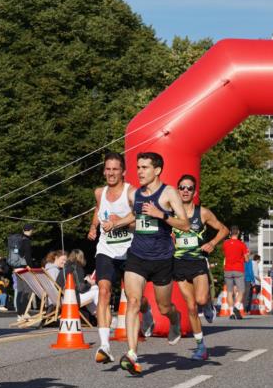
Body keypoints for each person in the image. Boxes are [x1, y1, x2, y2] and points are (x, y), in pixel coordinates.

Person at [114, 152, 190, 376]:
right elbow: (136, 219)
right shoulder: (136, 194)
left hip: (162, 259)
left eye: (145, 167)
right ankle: (132, 354)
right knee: (133, 301)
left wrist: (162, 215)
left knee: (164, 306)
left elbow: (184, 225)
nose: (140, 171)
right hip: (137, 256)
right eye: (138, 167)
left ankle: (174, 320)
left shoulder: (169, 193)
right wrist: (117, 223)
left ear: (157, 170)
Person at [172, 174, 228, 361]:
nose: (185, 191)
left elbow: (224, 230)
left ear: (194, 192)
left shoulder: (202, 213)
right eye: (182, 188)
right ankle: (201, 347)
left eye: (189, 188)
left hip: (197, 262)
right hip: (178, 264)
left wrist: (212, 243)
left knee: (201, 298)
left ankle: (208, 303)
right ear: (177, 191)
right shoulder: (171, 213)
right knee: (191, 307)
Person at [87, 152, 134, 364]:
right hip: (106, 249)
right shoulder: (99, 192)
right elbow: (98, 209)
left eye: (115, 169)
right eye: (108, 169)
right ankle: (105, 345)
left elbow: (140, 221)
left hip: (130, 250)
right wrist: (93, 226)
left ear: (123, 171)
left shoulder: (131, 192)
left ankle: (147, 313)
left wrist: (120, 222)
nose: (111, 173)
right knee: (103, 290)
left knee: (134, 297)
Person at [222, 226, 250, 319]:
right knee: (241, 290)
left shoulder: (225, 243)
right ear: (238, 232)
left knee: (230, 292)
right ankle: (236, 307)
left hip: (228, 270)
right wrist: (246, 255)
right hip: (238, 270)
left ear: (230, 233)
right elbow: (246, 259)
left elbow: (225, 254)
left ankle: (231, 313)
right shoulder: (242, 244)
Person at [8, 224, 35, 314]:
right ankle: (24, 312)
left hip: (16, 268)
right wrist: (29, 266)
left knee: (20, 290)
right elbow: (27, 255)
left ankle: (20, 313)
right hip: (24, 268)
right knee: (28, 290)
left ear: (23, 230)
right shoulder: (26, 240)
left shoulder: (17, 240)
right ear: (31, 230)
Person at [64, 249, 98, 316]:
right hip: (72, 299)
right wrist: (90, 283)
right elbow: (81, 289)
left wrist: (86, 282)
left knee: (93, 290)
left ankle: (96, 315)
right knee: (96, 290)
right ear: (81, 258)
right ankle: (101, 315)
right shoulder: (77, 268)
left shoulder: (66, 267)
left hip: (63, 297)